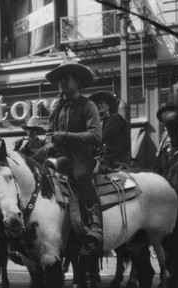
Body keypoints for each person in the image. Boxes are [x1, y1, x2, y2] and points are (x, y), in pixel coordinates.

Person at [43, 56, 103, 252]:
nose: (61, 82)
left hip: (81, 159)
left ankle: (95, 223)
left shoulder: (88, 106)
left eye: (65, 78)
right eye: (59, 79)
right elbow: (49, 133)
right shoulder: (57, 108)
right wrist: (49, 142)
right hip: (61, 158)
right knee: (39, 172)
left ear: (76, 82)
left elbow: (96, 136)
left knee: (82, 176)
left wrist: (67, 136)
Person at [89, 91, 131, 171]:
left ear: (108, 106)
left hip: (116, 163)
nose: (98, 106)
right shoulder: (97, 122)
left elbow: (101, 138)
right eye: (95, 104)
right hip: (104, 161)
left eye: (101, 103)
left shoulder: (115, 118)